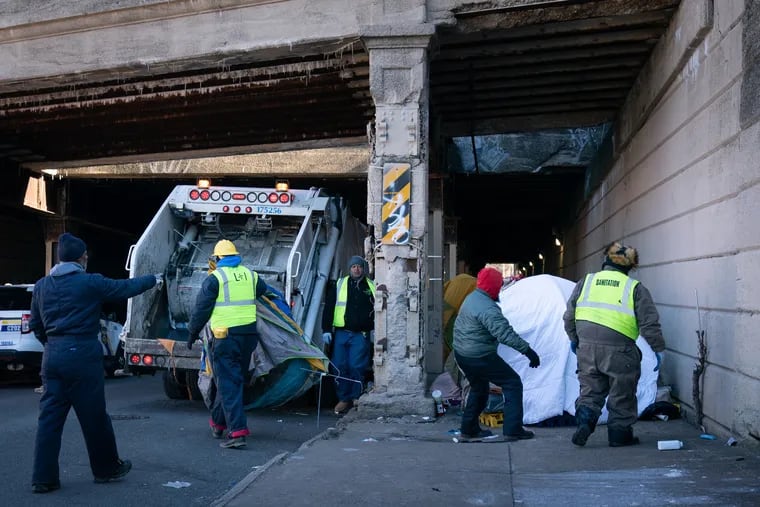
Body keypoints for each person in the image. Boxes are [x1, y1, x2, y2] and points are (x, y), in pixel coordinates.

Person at [29, 233, 161, 494]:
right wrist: (153, 280)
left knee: (49, 420)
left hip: (53, 355)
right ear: (81, 258)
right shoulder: (89, 283)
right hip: (82, 355)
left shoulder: (42, 285)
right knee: (94, 417)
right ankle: (106, 469)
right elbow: (124, 288)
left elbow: (36, 325)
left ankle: (43, 479)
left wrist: (53, 344)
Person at [563, 241, 666, 448]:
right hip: (620, 351)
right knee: (622, 392)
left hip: (587, 347)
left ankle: (585, 421)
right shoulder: (635, 288)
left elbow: (569, 316)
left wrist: (575, 339)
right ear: (629, 266)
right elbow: (649, 323)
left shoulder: (586, 282)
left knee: (590, 390)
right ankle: (619, 436)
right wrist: (658, 349)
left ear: (605, 261)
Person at [186, 239, 269, 449]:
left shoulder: (215, 279)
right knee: (230, 380)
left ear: (217, 258)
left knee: (228, 383)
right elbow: (263, 290)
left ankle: (237, 432)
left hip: (225, 338)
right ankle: (218, 423)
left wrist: (192, 333)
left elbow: (201, 309)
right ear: (236, 256)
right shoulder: (250, 275)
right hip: (248, 337)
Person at [453, 267, 541, 442]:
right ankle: (513, 429)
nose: (500, 289)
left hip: (463, 354)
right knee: (512, 383)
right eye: (499, 285)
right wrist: (528, 351)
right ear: (492, 286)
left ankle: (468, 429)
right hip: (479, 355)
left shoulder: (472, 298)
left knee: (479, 387)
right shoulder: (488, 308)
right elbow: (504, 334)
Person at [322, 255, 375, 415]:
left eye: (359, 266)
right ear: (349, 269)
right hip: (341, 333)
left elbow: (379, 309)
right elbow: (329, 308)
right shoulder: (340, 284)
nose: (356, 269)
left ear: (363, 269)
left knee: (356, 366)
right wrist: (325, 329)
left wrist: (374, 330)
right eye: (353, 267)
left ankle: (356, 397)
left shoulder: (371, 286)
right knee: (339, 366)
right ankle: (344, 399)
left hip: (360, 335)